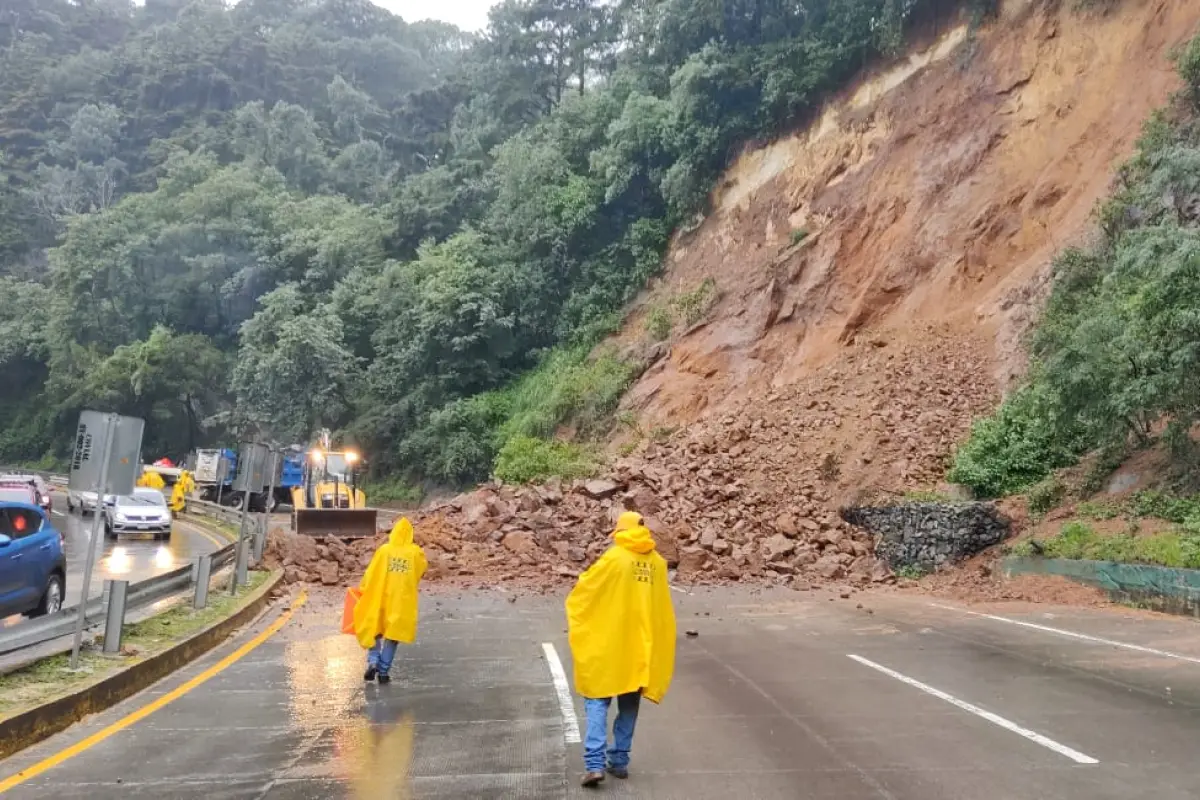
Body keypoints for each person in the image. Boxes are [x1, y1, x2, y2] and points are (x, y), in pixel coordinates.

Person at [566, 511, 676, 788]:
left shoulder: (614, 558)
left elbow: (586, 589)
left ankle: (594, 764)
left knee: (597, 698)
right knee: (629, 703)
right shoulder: (658, 564)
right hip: (640, 647)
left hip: (609, 643)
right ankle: (620, 761)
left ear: (621, 530)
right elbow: (662, 610)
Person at [353, 517, 427, 684]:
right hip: (401, 600)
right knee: (393, 635)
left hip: (381, 596)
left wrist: (364, 588)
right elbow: (421, 569)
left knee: (375, 629)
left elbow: (371, 572)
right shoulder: (415, 552)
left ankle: (373, 662)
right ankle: (384, 672)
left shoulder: (384, 550)